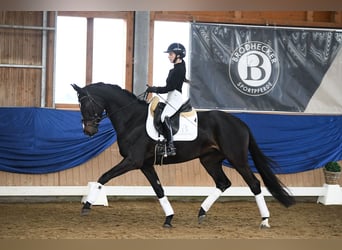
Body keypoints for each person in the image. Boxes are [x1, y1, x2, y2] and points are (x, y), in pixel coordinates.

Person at [146, 42, 187, 156]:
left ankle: (170, 145)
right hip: (171, 96)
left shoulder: (179, 69)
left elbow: (170, 87)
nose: (169, 56)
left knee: (164, 116)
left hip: (175, 97)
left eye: (171, 54)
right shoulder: (176, 68)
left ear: (178, 55)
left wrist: (154, 89)